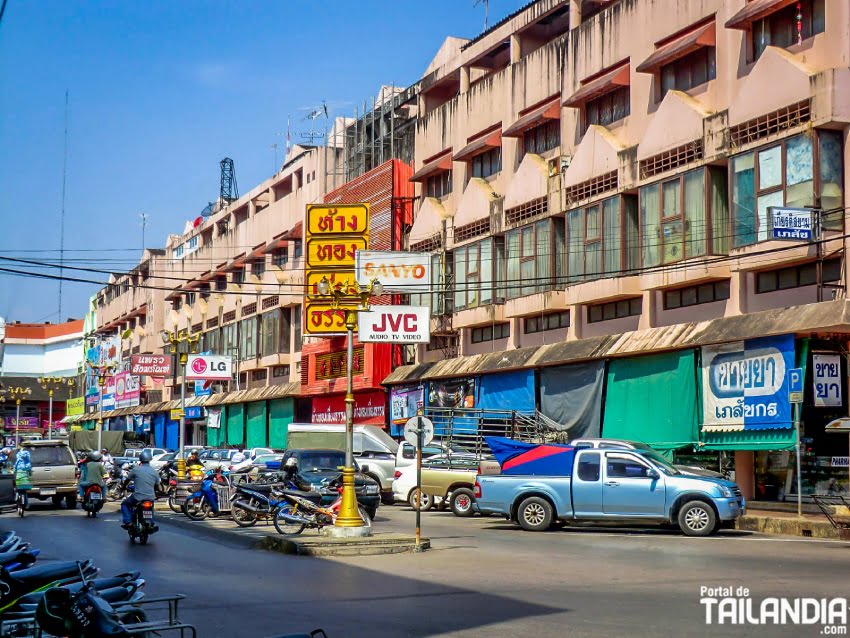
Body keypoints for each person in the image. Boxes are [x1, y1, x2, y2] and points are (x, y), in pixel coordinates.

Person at [120, 450, 160, 529]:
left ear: (140, 459)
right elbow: (157, 486)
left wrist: (123, 487)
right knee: (150, 509)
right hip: (150, 497)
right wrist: (155, 494)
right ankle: (151, 523)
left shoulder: (136, 469)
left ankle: (128, 521)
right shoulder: (155, 472)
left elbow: (127, 480)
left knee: (124, 504)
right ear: (150, 459)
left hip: (138, 497)